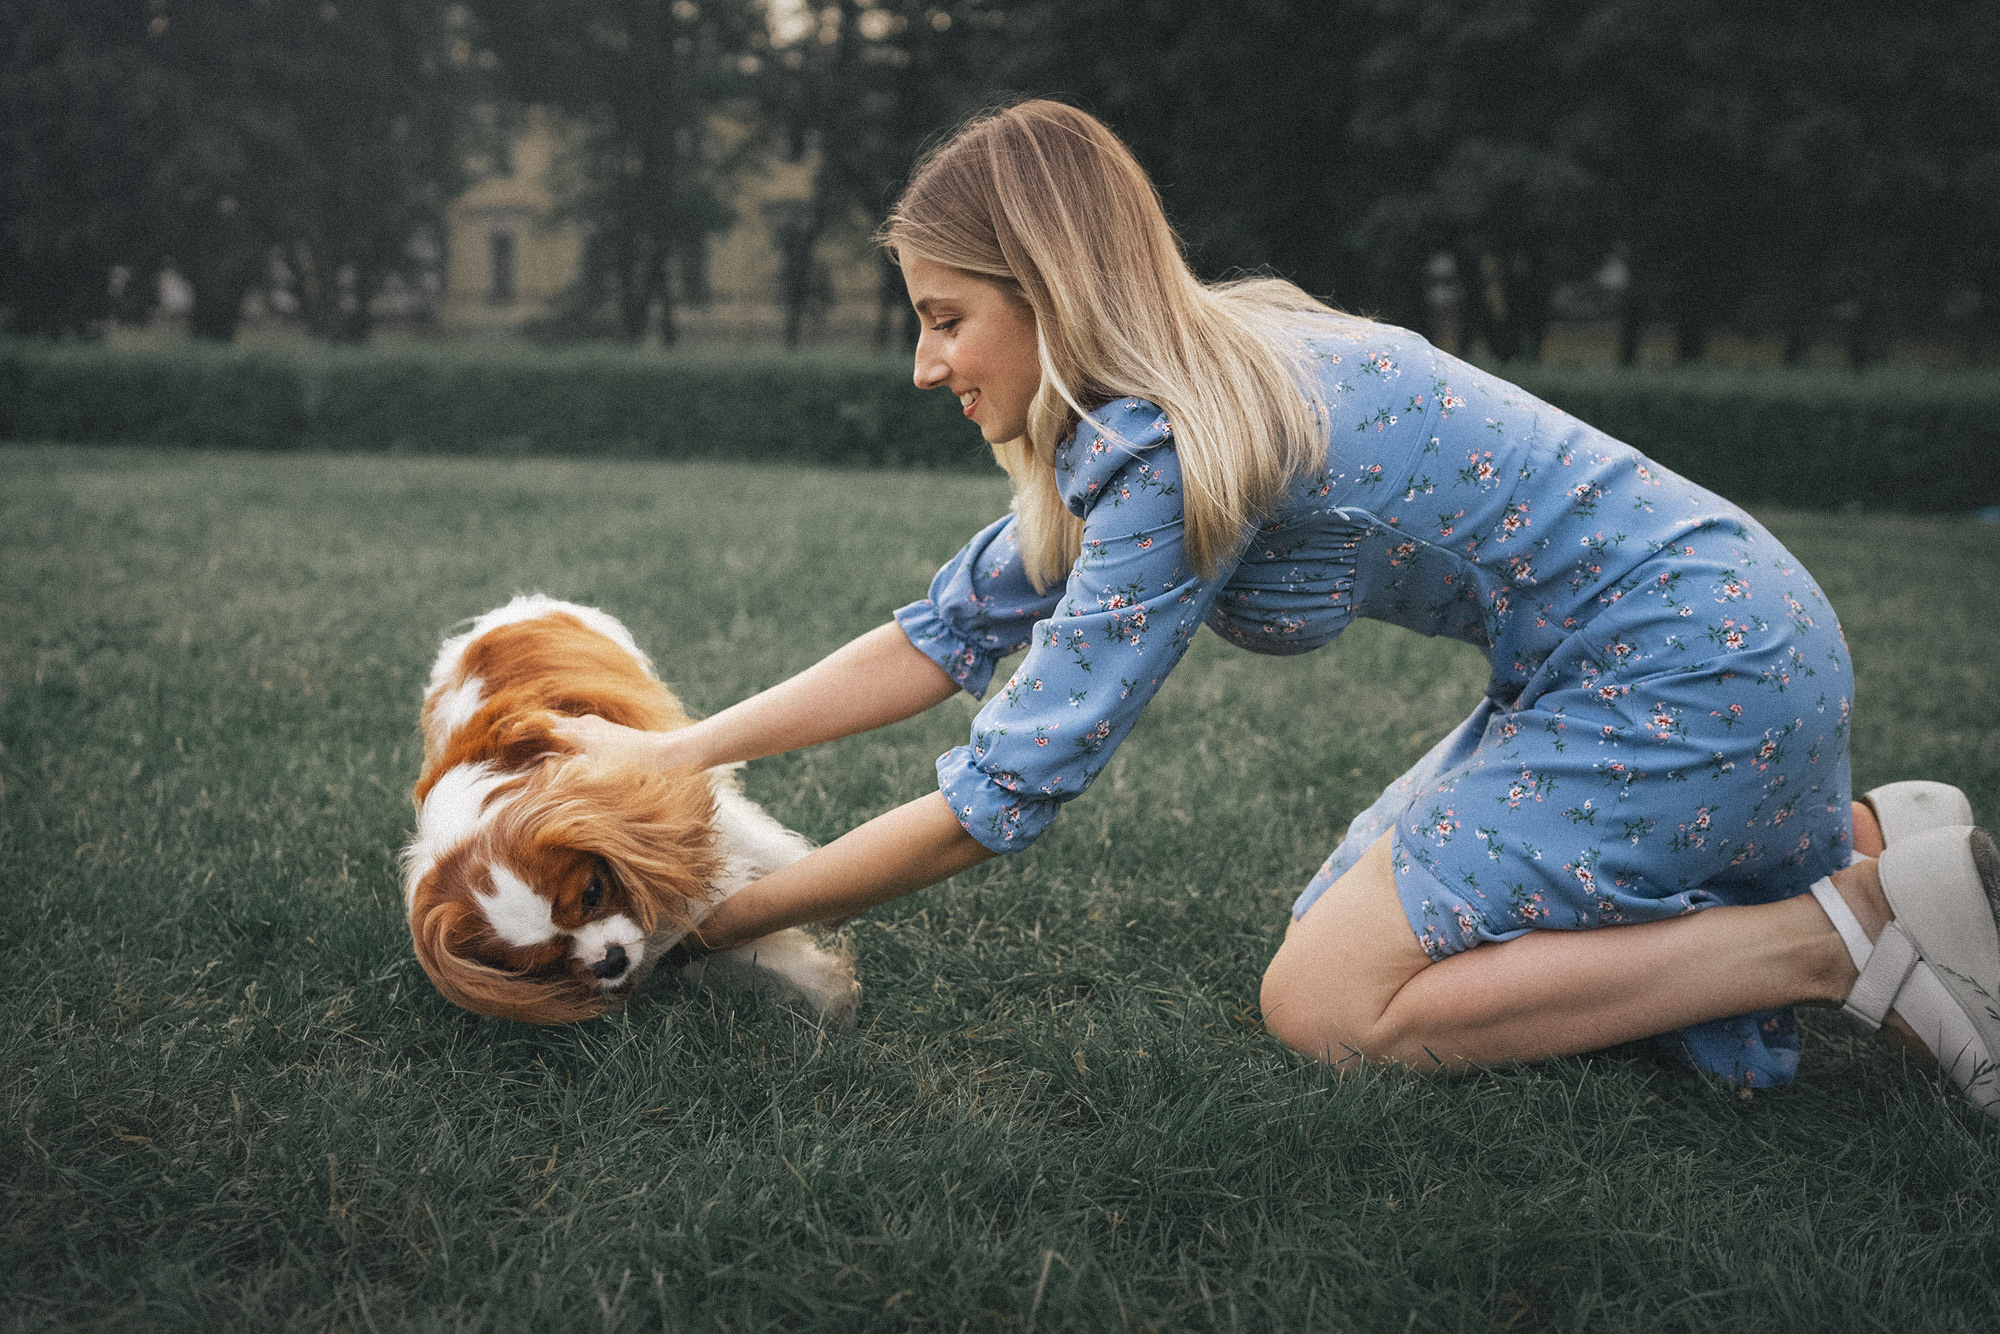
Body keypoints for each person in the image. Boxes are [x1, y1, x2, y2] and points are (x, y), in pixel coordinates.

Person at [556, 100, 1999, 1114]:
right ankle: (1878, 838)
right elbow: (940, 634)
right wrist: (670, 755)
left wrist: (717, 923)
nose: (925, 366)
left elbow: (994, 800)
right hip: (1698, 639)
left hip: (1697, 666)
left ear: (1054, 295)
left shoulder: (1177, 449)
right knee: (1353, 934)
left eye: (946, 319)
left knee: (1331, 1006)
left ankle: (1848, 924)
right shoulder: (1185, 381)